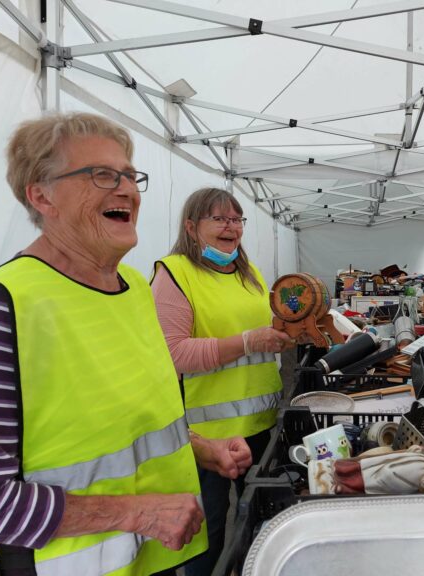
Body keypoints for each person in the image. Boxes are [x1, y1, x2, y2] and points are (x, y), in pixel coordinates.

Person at [0, 113, 252, 575]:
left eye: (128, 175)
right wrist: (135, 512)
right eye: (101, 175)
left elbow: (132, 425)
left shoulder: (134, 289)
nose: (126, 189)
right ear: (42, 196)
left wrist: (202, 446)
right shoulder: (7, 308)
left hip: (154, 556)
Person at [151, 187, 291, 576]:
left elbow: (266, 326)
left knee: (260, 524)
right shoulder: (175, 273)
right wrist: (246, 342)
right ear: (192, 227)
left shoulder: (249, 273)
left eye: (236, 220)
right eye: (220, 219)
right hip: (205, 435)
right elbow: (173, 354)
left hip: (261, 426)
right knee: (208, 532)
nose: (231, 228)